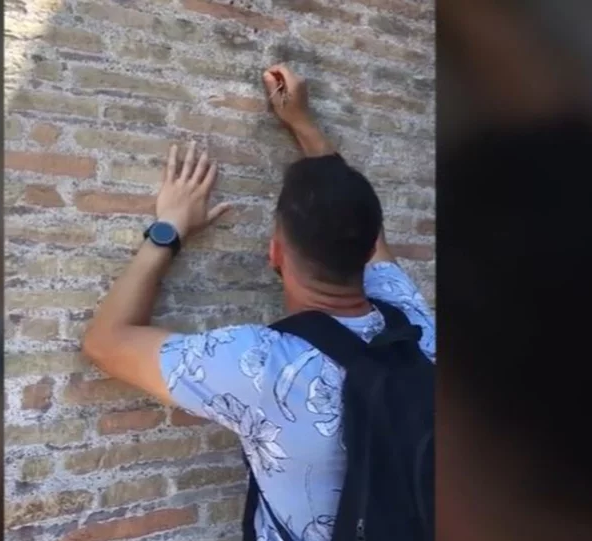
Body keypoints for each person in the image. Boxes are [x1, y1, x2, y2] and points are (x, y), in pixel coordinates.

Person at [83, 64, 435, 540]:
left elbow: (108, 342)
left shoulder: (259, 365)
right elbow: (362, 223)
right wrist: (304, 124)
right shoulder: (414, 324)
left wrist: (169, 229)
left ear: (274, 252)